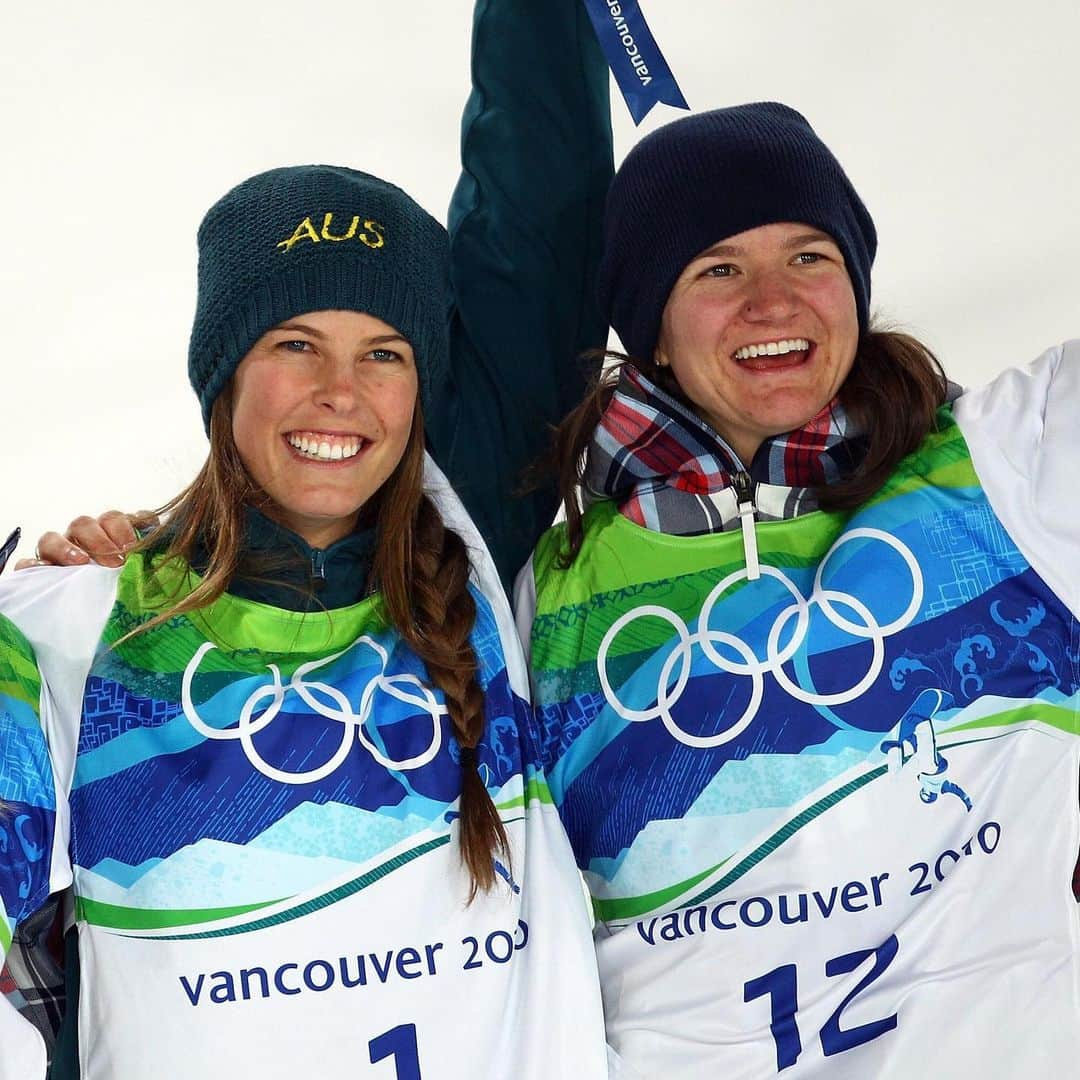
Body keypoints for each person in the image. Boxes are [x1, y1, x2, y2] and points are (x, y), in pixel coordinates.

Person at [0, 2, 615, 1077]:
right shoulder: (81, 624)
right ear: (223, 374)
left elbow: (545, 201)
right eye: (295, 342)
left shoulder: (471, 541)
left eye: (385, 352)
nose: (341, 393)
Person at [513, 104, 1080, 1076]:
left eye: (810, 257)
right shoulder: (550, 590)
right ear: (650, 329)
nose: (772, 302)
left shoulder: (1006, 469)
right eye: (718, 270)